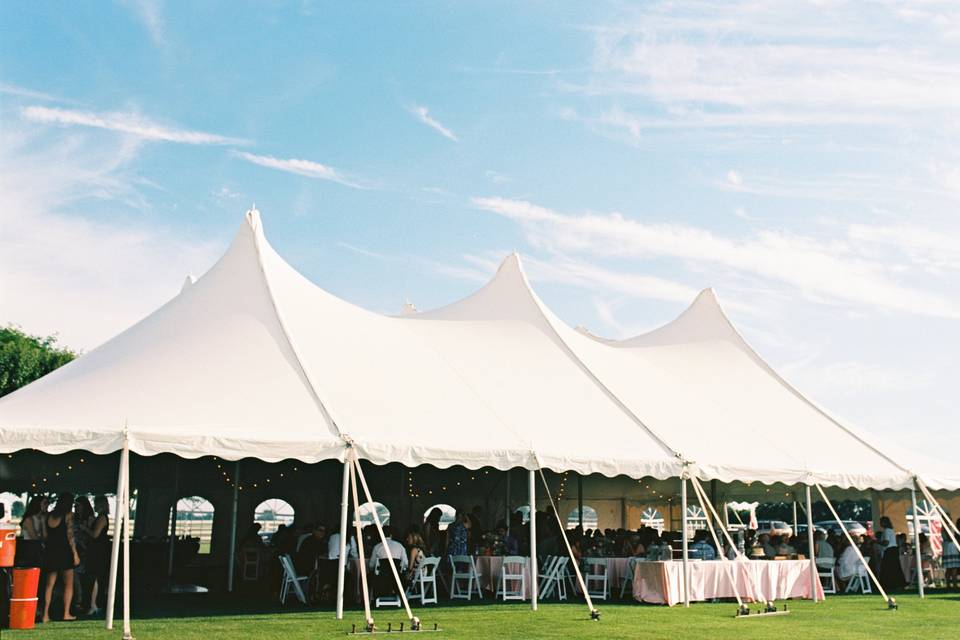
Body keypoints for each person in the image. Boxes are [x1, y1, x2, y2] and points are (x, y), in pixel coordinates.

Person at [42, 493, 80, 622]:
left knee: (49, 585)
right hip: (64, 552)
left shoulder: (49, 516)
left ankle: (45, 615)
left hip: (50, 552)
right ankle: (66, 613)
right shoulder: (68, 515)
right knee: (68, 584)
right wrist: (75, 554)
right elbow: (70, 537)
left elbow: (45, 535)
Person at [82, 496, 110, 616]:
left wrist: (85, 528)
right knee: (95, 576)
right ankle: (94, 603)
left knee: (95, 576)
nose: (94, 506)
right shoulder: (100, 517)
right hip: (98, 549)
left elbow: (95, 534)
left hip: (98, 550)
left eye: (96, 504)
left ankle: (94, 604)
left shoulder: (102, 518)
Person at [16, 495, 48, 568]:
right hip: (29, 549)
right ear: (38, 504)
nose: (47, 505)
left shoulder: (43, 518)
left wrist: (43, 522)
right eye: (45, 503)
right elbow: (34, 537)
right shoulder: (29, 519)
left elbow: (45, 536)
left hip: (38, 549)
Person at [877, 517, 905, 590]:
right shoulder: (891, 530)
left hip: (889, 551)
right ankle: (897, 584)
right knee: (895, 568)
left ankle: (889, 584)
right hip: (893, 550)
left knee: (888, 569)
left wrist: (876, 542)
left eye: (881, 522)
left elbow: (886, 543)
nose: (880, 524)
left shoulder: (886, 531)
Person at [943, 518, 959, 589]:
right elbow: (950, 537)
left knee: (949, 568)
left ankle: (949, 584)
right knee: (953, 567)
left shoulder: (945, 527)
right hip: (951, 547)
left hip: (948, 547)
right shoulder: (947, 527)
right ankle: (953, 584)